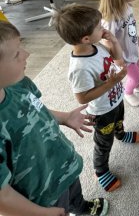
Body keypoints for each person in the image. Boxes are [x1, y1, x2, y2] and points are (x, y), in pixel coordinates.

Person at [0, 21, 109, 216]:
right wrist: (40, 213)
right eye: (17, 54)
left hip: (61, 164)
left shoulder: (18, 84)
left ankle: (80, 207)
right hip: (42, 195)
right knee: (61, 207)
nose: (27, 54)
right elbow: (3, 197)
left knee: (73, 191)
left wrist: (65, 117)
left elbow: (34, 109)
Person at [53, 4, 139, 193]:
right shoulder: (79, 68)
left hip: (115, 99)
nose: (103, 28)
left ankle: (120, 134)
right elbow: (82, 97)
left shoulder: (95, 45)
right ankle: (100, 170)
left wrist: (114, 41)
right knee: (103, 142)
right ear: (85, 38)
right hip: (101, 111)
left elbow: (116, 57)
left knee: (120, 119)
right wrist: (112, 82)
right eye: (99, 27)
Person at [99, 0, 139, 108]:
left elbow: (130, 25)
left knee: (137, 67)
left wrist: (135, 36)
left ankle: (137, 85)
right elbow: (106, 40)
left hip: (132, 47)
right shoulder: (110, 18)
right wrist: (117, 59)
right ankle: (128, 92)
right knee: (136, 75)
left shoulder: (127, 7)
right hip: (123, 55)